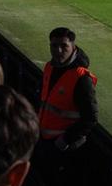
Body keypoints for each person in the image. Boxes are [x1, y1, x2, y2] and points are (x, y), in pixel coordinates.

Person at [38, 27, 98, 156]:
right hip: (45, 140)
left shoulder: (81, 78)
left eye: (64, 46)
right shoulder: (49, 67)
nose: (58, 51)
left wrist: (66, 140)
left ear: (73, 46)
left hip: (66, 148)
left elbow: (91, 118)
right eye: (54, 46)